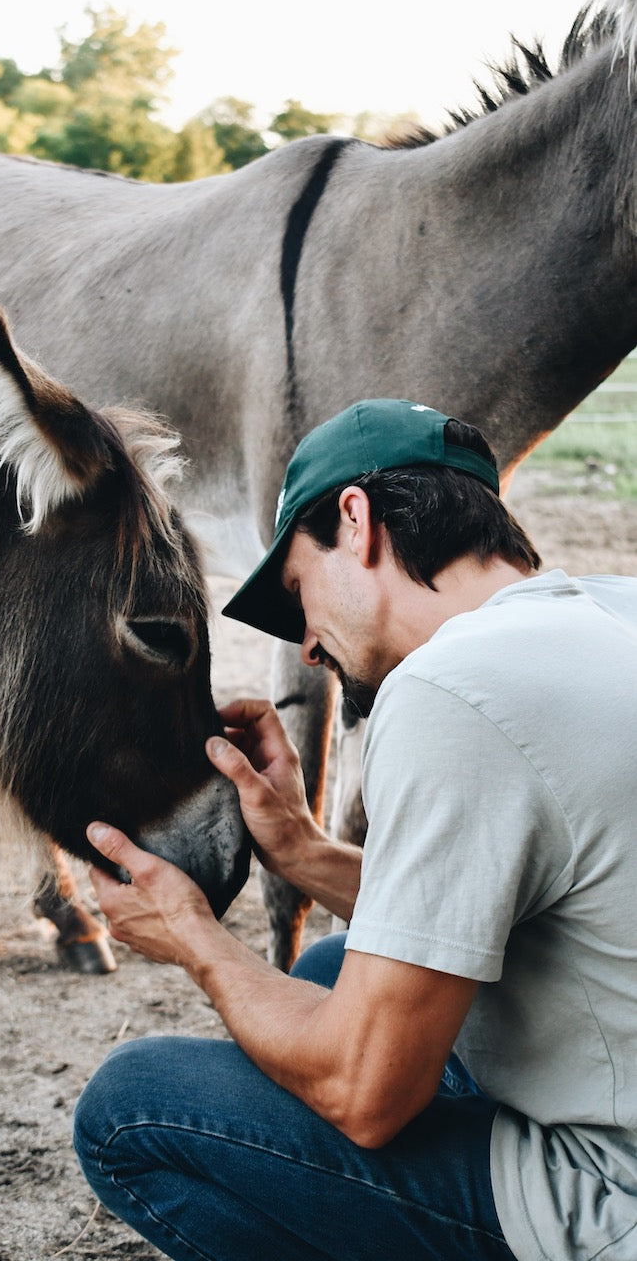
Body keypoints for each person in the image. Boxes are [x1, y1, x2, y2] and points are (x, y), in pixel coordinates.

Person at [72, 399, 637, 1261]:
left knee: (132, 1108)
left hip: (612, 1199)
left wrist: (193, 938)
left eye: (297, 592)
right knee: (334, 967)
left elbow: (365, 1091)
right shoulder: (607, 613)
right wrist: (299, 850)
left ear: (356, 519)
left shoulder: (453, 690)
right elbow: (529, 892)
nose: (304, 645)